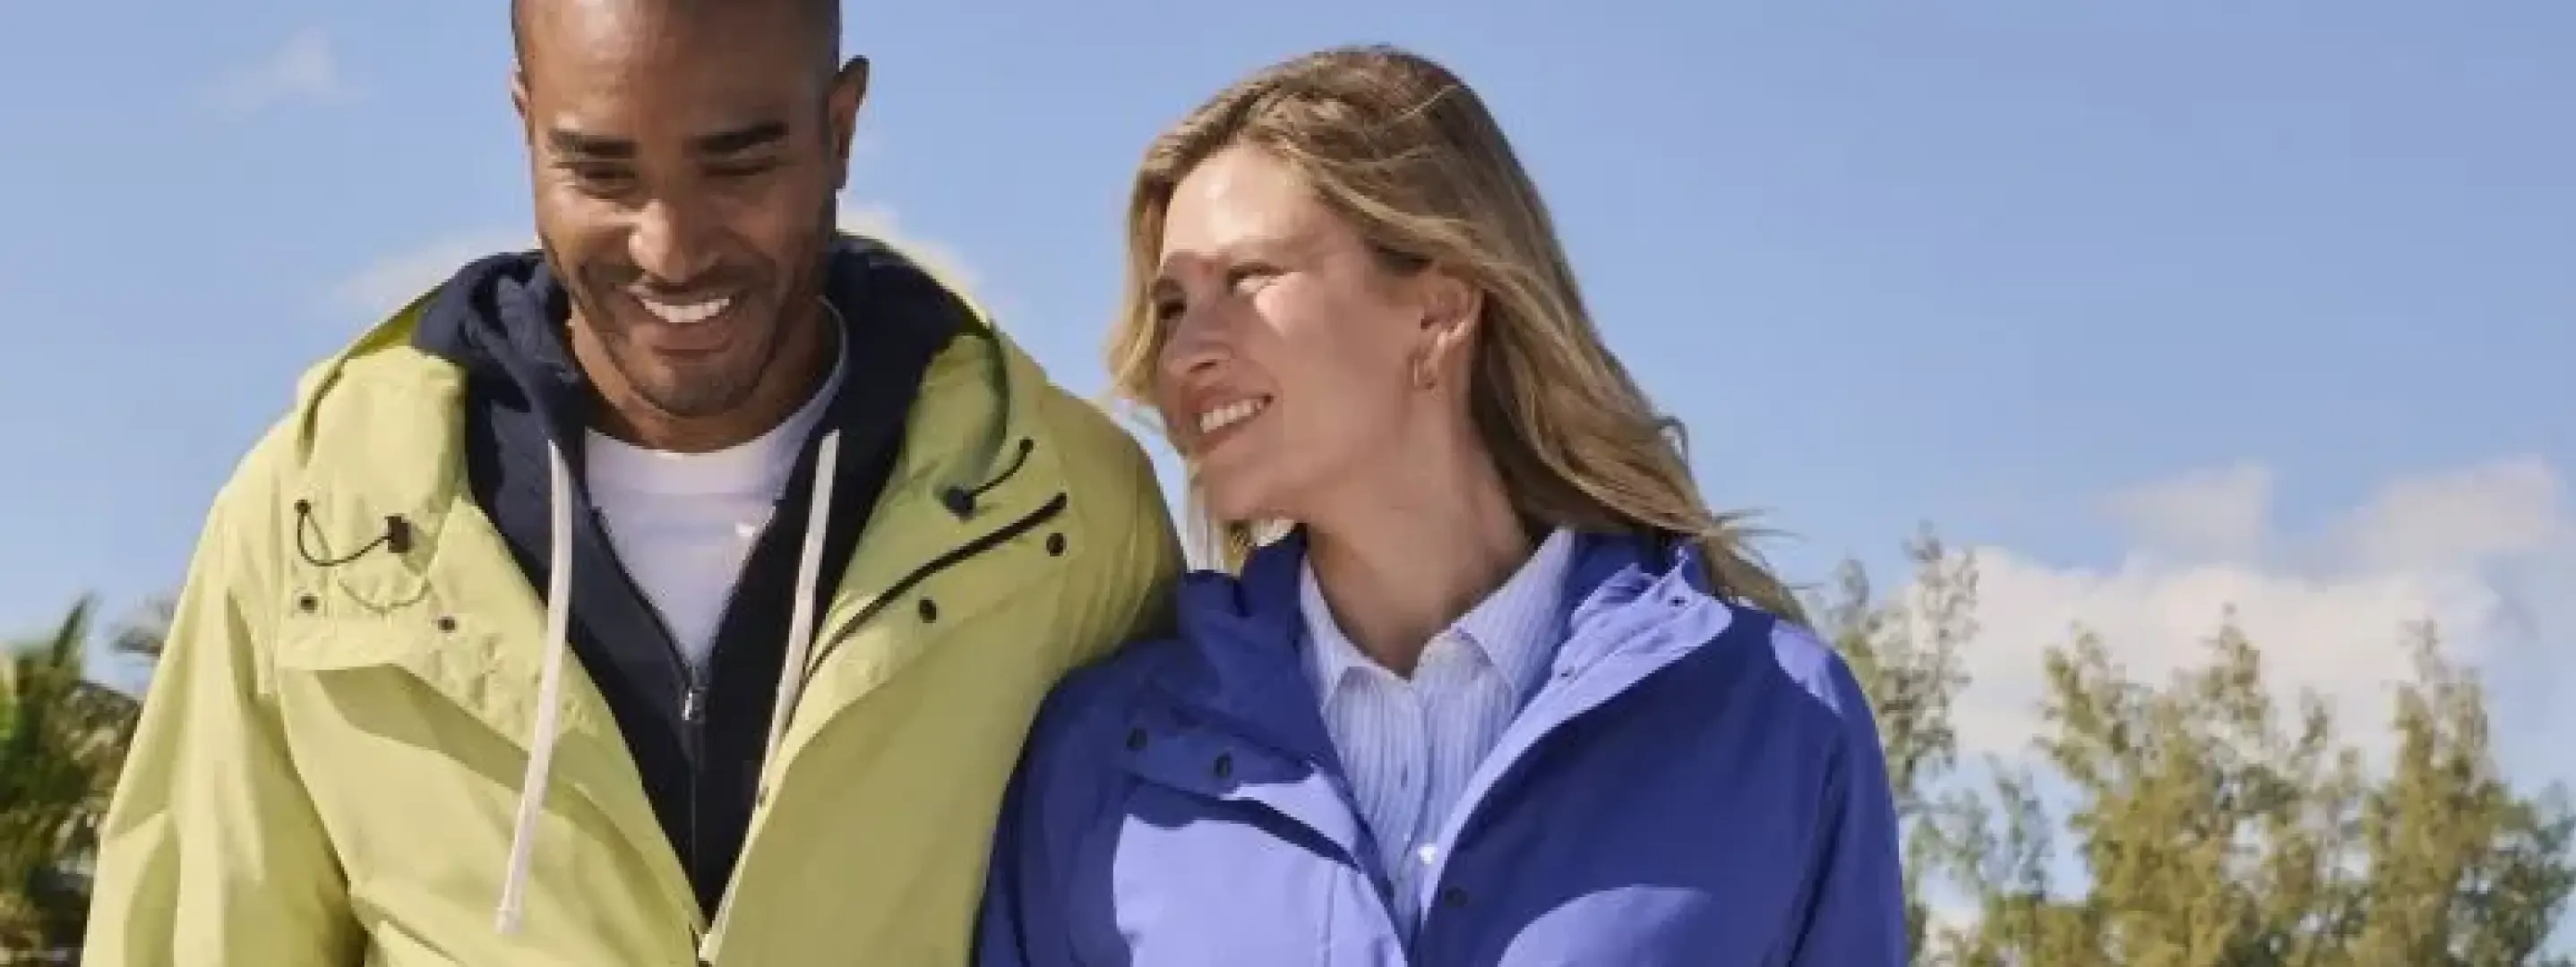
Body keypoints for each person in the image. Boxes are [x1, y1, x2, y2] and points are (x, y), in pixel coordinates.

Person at [82, 0, 1181, 963]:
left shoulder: (1067, 508)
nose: (669, 247)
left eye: (739, 164)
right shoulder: (315, 516)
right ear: (524, 126)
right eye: (599, 170)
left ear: (839, 129)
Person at [974, 44, 1906, 966]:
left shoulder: (1776, 722)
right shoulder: (1103, 761)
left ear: (1440, 309)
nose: (1182, 356)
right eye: (1174, 306)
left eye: (1248, 279)